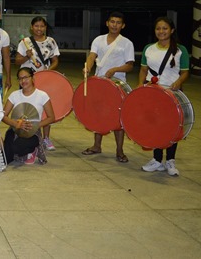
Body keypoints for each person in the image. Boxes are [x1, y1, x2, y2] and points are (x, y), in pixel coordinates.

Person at [139, 16, 189, 177]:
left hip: (172, 94)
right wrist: (140, 86)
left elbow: (185, 72)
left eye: (165, 28)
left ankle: (171, 161)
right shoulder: (149, 48)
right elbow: (143, 70)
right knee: (155, 126)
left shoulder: (181, 50)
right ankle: (157, 160)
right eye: (158, 28)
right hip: (153, 93)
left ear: (172, 30)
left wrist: (178, 81)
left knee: (172, 127)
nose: (161, 31)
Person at [81, 12, 135, 162]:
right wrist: (88, 67)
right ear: (107, 23)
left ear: (123, 25)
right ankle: (96, 146)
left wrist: (115, 70)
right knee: (99, 114)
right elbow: (92, 56)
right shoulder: (99, 40)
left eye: (118, 22)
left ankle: (119, 151)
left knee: (118, 118)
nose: (115, 25)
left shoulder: (127, 43)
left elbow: (130, 65)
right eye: (112, 21)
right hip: (100, 83)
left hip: (118, 84)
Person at [14, 16, 60, 151]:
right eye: (36, 26)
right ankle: (24, 133)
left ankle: (46, 138)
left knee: (45, 110)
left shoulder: (51, 41)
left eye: (42, 26)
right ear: (31, 27)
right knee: (25, 108)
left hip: (45, 80)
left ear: (45, 27)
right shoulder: (25, 42)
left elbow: (55, 61)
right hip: (27, 81)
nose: (39, 29)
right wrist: (26, 56)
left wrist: (47, 71)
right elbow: (17, 61)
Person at [0, 67, 56, 165]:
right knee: (5, 159)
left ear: (33, 78)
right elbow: (3, 115)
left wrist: (36, 125)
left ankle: (33, 150)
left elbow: (51, 117)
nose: (23, 81)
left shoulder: (42, 95)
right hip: (15, 129)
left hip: (32, 132)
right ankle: (18, 153)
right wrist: (14, 123)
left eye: (26, 77)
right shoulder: (14, 95)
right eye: (20, 78)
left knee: (16, 147)